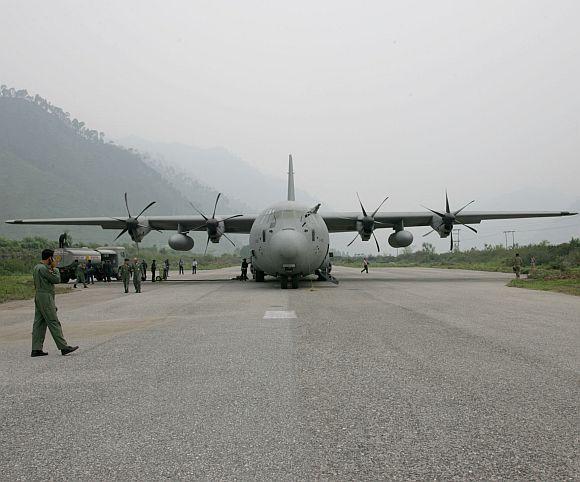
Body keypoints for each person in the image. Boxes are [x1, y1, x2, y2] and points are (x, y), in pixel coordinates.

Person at [31, 248, 78, 357]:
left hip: (39, 295)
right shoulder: (44, 268)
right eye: (52, 258)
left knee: (39, 323)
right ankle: (63, 347)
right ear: (49, 258)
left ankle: (36, 349)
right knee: (53, 321)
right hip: (46, 296)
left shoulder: (36, 267)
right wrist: (55, 268)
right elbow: (56, 279)